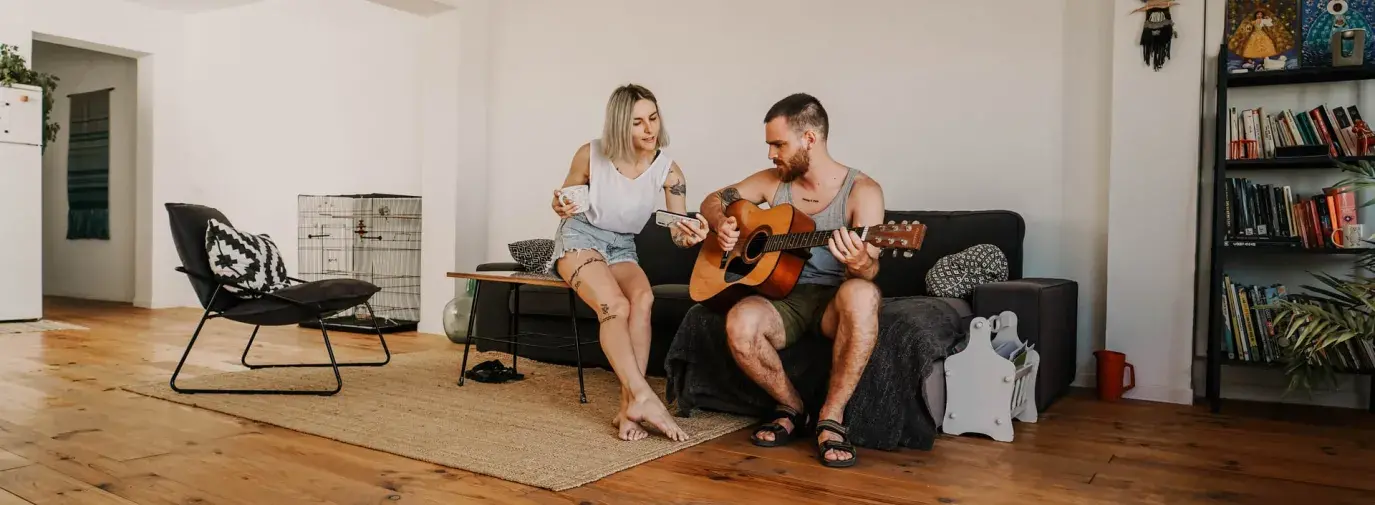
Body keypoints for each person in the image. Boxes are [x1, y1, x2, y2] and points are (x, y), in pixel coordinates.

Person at [695, 93, 884, 467]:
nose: (771, 154)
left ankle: (831, 418)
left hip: (834, 300)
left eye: (778, 144)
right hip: (783, 296)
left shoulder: (863, 192)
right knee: (739, 321)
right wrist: (722, 223)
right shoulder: (773, 182)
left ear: (809, 139)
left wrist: (860, 261)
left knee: (863, 293)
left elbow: (871, 269)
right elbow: (714, 199)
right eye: (769, 144)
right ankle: (791, 406)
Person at [548, 84, 710, 442]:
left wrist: (691, 234)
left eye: (653, 118)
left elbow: (677, 232)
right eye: (638, 122)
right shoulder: (590, 155)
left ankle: (628, 408)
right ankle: (644, 396)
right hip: (580, 237)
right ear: (621, 124)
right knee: (615, 306)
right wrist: (559, 203)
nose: (650, 129)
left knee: (644, 299)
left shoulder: (670, 172)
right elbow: (564, 199)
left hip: (622, 246)